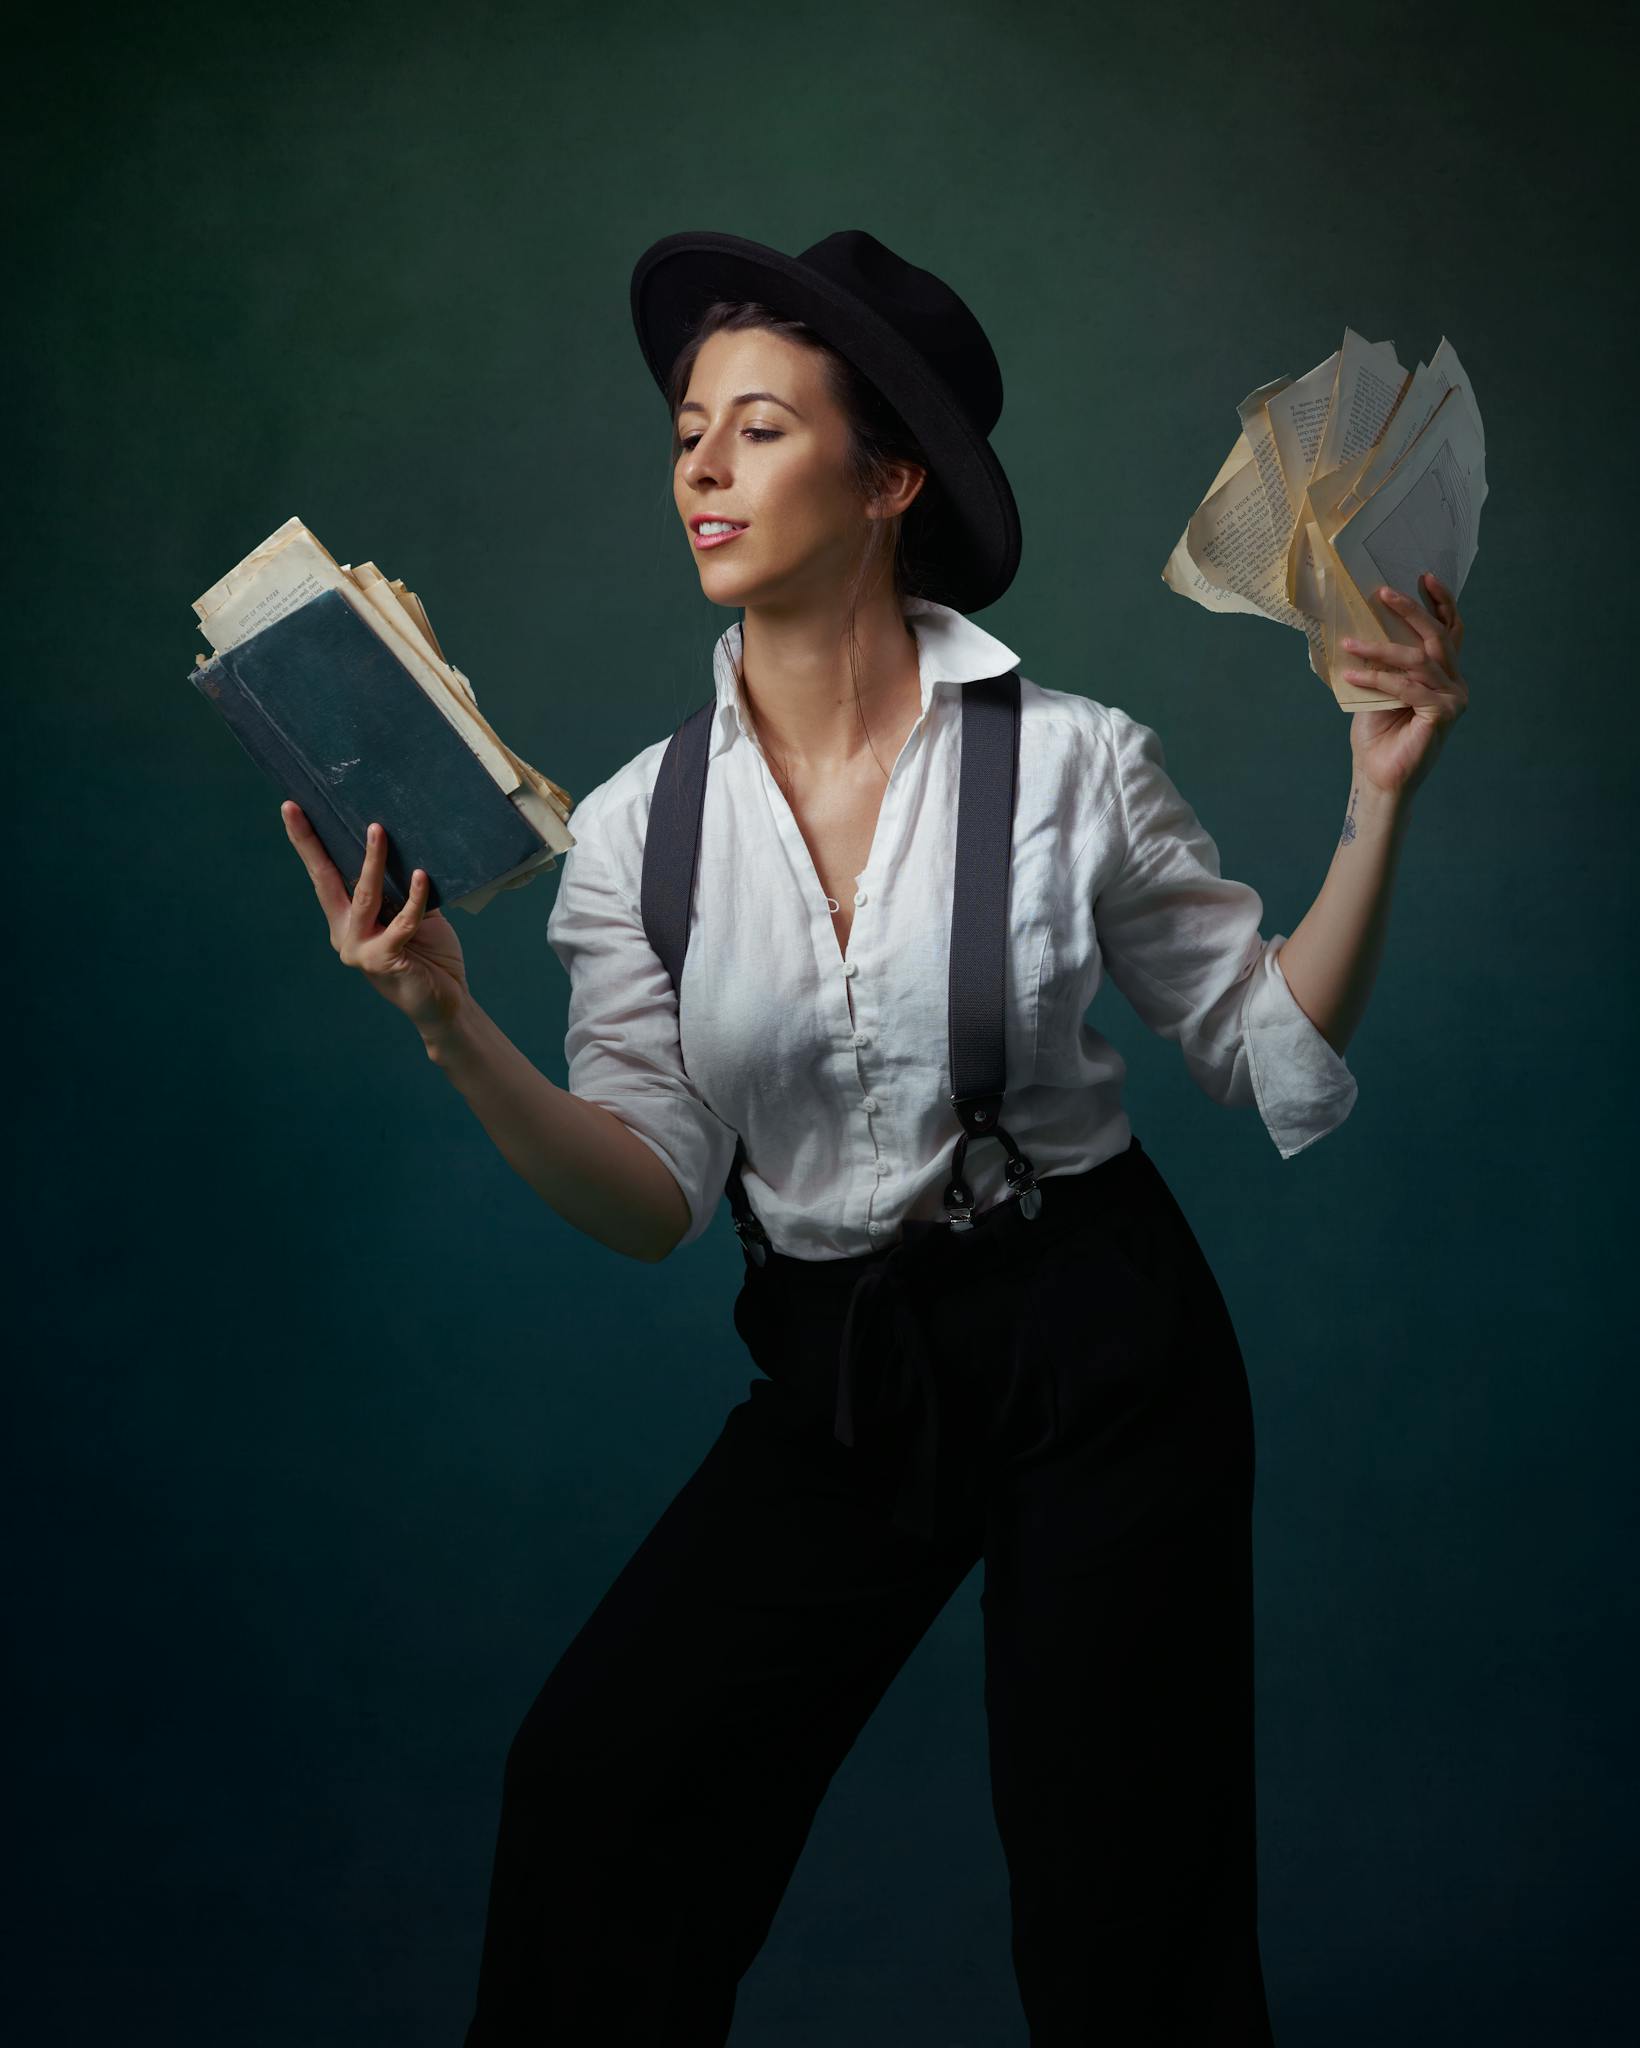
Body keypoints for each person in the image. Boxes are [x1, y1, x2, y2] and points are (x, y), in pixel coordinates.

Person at [279, 230, 1469, 2043]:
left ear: (889, 476)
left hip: (1101, 1347)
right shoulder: (632, 834)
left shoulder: (1076, 761)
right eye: (689, 428)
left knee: (1123, 1913)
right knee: (604, 1797)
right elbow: (654, 1197)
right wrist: (451, 1024)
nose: (699, 464)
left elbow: (1265, 1046)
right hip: (845, 1373)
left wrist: (1375, 810)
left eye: (757, 427)